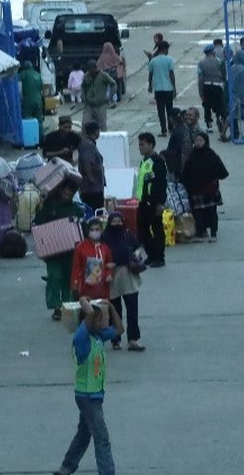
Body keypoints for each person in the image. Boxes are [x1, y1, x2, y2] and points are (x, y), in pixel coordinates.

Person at [52, 295, 121, 475]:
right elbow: (89, 313)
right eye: (98, 319)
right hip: (88, 397)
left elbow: (119, 329)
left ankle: (66, 467)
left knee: (84, 434)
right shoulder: (81, 339)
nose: (102, 322)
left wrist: (110, 307)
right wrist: (83, 300)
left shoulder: (98, 337)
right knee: (102, 438)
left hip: (94, 395)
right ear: (88, 321)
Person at [35, 180, 87, 320]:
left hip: (71, 253)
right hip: (52, 252)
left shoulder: (76, 210)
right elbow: (38, 224)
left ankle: (66, 306)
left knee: (68, 280)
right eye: (65, 193)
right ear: (60, 191)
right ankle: (55, 307)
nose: (67, 196)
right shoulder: (49, 206)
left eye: (70, 195)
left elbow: (83, 230)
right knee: (54, 277)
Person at [100, 211, 143, 351]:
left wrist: (136, 256)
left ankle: (133, 339)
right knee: (114, 310)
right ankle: (115, 339)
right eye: (114, 221)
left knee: (132, 309)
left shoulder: (128, 235)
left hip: (128, 275)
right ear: (109, 223)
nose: (117, 224)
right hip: (111, 276)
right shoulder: (104, 238)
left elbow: (137, 248)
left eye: (119, 221)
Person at [180, 131, 229, 242]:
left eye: (200, 140)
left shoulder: (211, 155)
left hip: (210, 190)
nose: (197, 143)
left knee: (212, 212)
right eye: (196, 140)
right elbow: (186, 171)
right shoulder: (193, 155)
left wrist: (213, 179)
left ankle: (213, 233)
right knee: (198, 213)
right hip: (196, 191)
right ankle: (202, 232)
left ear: (205, 142)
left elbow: (221, 171)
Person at [134, 132, 169, 268]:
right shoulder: (144, 161)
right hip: (143, 201)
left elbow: (161, 183)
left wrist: (160, 203)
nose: (140, 148)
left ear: (151, 145)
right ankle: (151, 254)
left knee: (157, 229)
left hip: (154, 202)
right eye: (139, 145)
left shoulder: (158, 162)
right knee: (142, 229)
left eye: (142, 145)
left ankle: (159, 257)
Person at [71, 218, 114, 302]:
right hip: (85, 288)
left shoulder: (105, 248)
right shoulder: (81, 247)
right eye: (92, 229)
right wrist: (74, 284)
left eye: (97, 229)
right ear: (88, 231)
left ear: (101, 230)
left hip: (102, 289)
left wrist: (109, 274)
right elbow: (76, 267)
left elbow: (109, 265)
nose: (94, 232)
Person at [198, 44, 227, 137]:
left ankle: (209, 124)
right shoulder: (219, 61)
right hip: (217, 85)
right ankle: (219, 117)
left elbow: (200, 78)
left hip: (206, 85)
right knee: (219, 104)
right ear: (212, 52)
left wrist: (200, 91)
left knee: (207, 105)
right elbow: (223, 74)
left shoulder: (201, 63)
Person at [148, 41, 176, 135]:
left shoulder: (153, 61)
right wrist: (174, 87)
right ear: (165, 49)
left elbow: (150, 74)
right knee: (169, 109)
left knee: (160, 110)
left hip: (158, 89)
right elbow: (171, 74)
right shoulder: (169, 60)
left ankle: (163, 130)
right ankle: (171, 128)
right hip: (168, 88)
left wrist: (150, 86)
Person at [77, 122, 106, 213]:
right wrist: (91, 179)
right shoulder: (88, 145)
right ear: (96, 132)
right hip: (92, 189)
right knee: (95, 211)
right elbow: (87, 163)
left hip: (94, 187)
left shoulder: (89, 144)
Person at [81, 63, 116, 130]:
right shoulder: (86, 76)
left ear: (95, 68)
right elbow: (83, 87)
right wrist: (83, 97)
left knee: (102, 124)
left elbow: (113, 84)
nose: (90, 72)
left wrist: (110, 96)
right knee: (85, 123)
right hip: (89, 104)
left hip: (100, 104)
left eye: (91, 70)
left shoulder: (103, 75)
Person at [19, 60, 45, 142]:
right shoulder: (38, 74)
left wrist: (20, 99)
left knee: (27, 120)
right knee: (39, 120)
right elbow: (41, 89)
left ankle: (28, 139)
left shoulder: (22, 74)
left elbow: (19, 88)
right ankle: (41, 138)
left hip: (28, 100)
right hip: (38, 100)